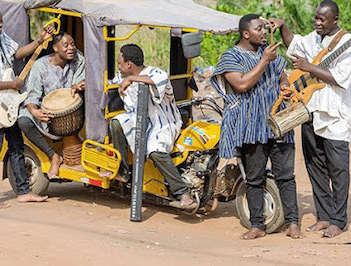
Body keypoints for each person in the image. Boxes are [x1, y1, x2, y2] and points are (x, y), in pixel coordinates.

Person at [269, 0, 351, 238]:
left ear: (335, 20)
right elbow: (295, 45)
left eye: (322, 19)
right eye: (316, 18)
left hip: (335, 116)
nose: (317, 23)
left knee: (338, 169)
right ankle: (324, 216)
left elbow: (341, 78)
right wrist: (283, 27)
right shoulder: (315, 38)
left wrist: (310, 67)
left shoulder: (349, 43)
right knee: (315, 166)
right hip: (311, 112)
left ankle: (338, 220)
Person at [211, 14, 304, 240]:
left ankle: (292, 222)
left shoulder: (270, 53)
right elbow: (241, 84)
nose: (264, 32)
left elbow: (283, 77)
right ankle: (257, 225)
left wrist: (284, 85)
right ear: (245, 34)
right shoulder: (231, 57)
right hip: (250, 127)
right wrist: (264, 60)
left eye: (264, 28)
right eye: (259, 29)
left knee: (286, 176)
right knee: (254, 178)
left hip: (278, 124)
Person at [0, 3, 51, 209]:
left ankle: (23, 191)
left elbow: (18, 53)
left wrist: (39, 40)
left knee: (16, 146)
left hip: (9, 101)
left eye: (1, 21)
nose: (0, 25)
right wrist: (12, 84)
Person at [109, 44, 195, 209]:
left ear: (129, 65)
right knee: (116, 122)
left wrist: (131, 79)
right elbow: (108, 84)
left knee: (155, 150)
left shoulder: (156, 72)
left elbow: (157, 82)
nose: (118, 67)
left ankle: (183, 192)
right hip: (137, 118)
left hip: (163, 121)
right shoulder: (121, 76)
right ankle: (123, 172)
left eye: (119, 63)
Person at [18, 32, 86, 178]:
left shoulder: (78, 59)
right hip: (46, 114)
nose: (71, 48)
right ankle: (53, 155)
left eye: (72, 44)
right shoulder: (40, 66)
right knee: (23, 120)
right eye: (66, 45)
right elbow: (32, 96)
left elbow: (82, 78)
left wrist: (79, 86)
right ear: (55, 47)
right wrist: (35, 111)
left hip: (71, 114)